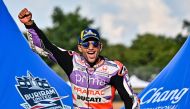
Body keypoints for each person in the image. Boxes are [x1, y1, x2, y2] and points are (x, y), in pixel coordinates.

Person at [18, 8, 140, 109]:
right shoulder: (72, 61)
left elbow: (131, 100)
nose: (90, 48)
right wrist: (30, 24)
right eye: (86, 44)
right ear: (80, 48)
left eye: (95, 44)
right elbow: (45, 47)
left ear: (100, 47)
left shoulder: (114, 69)